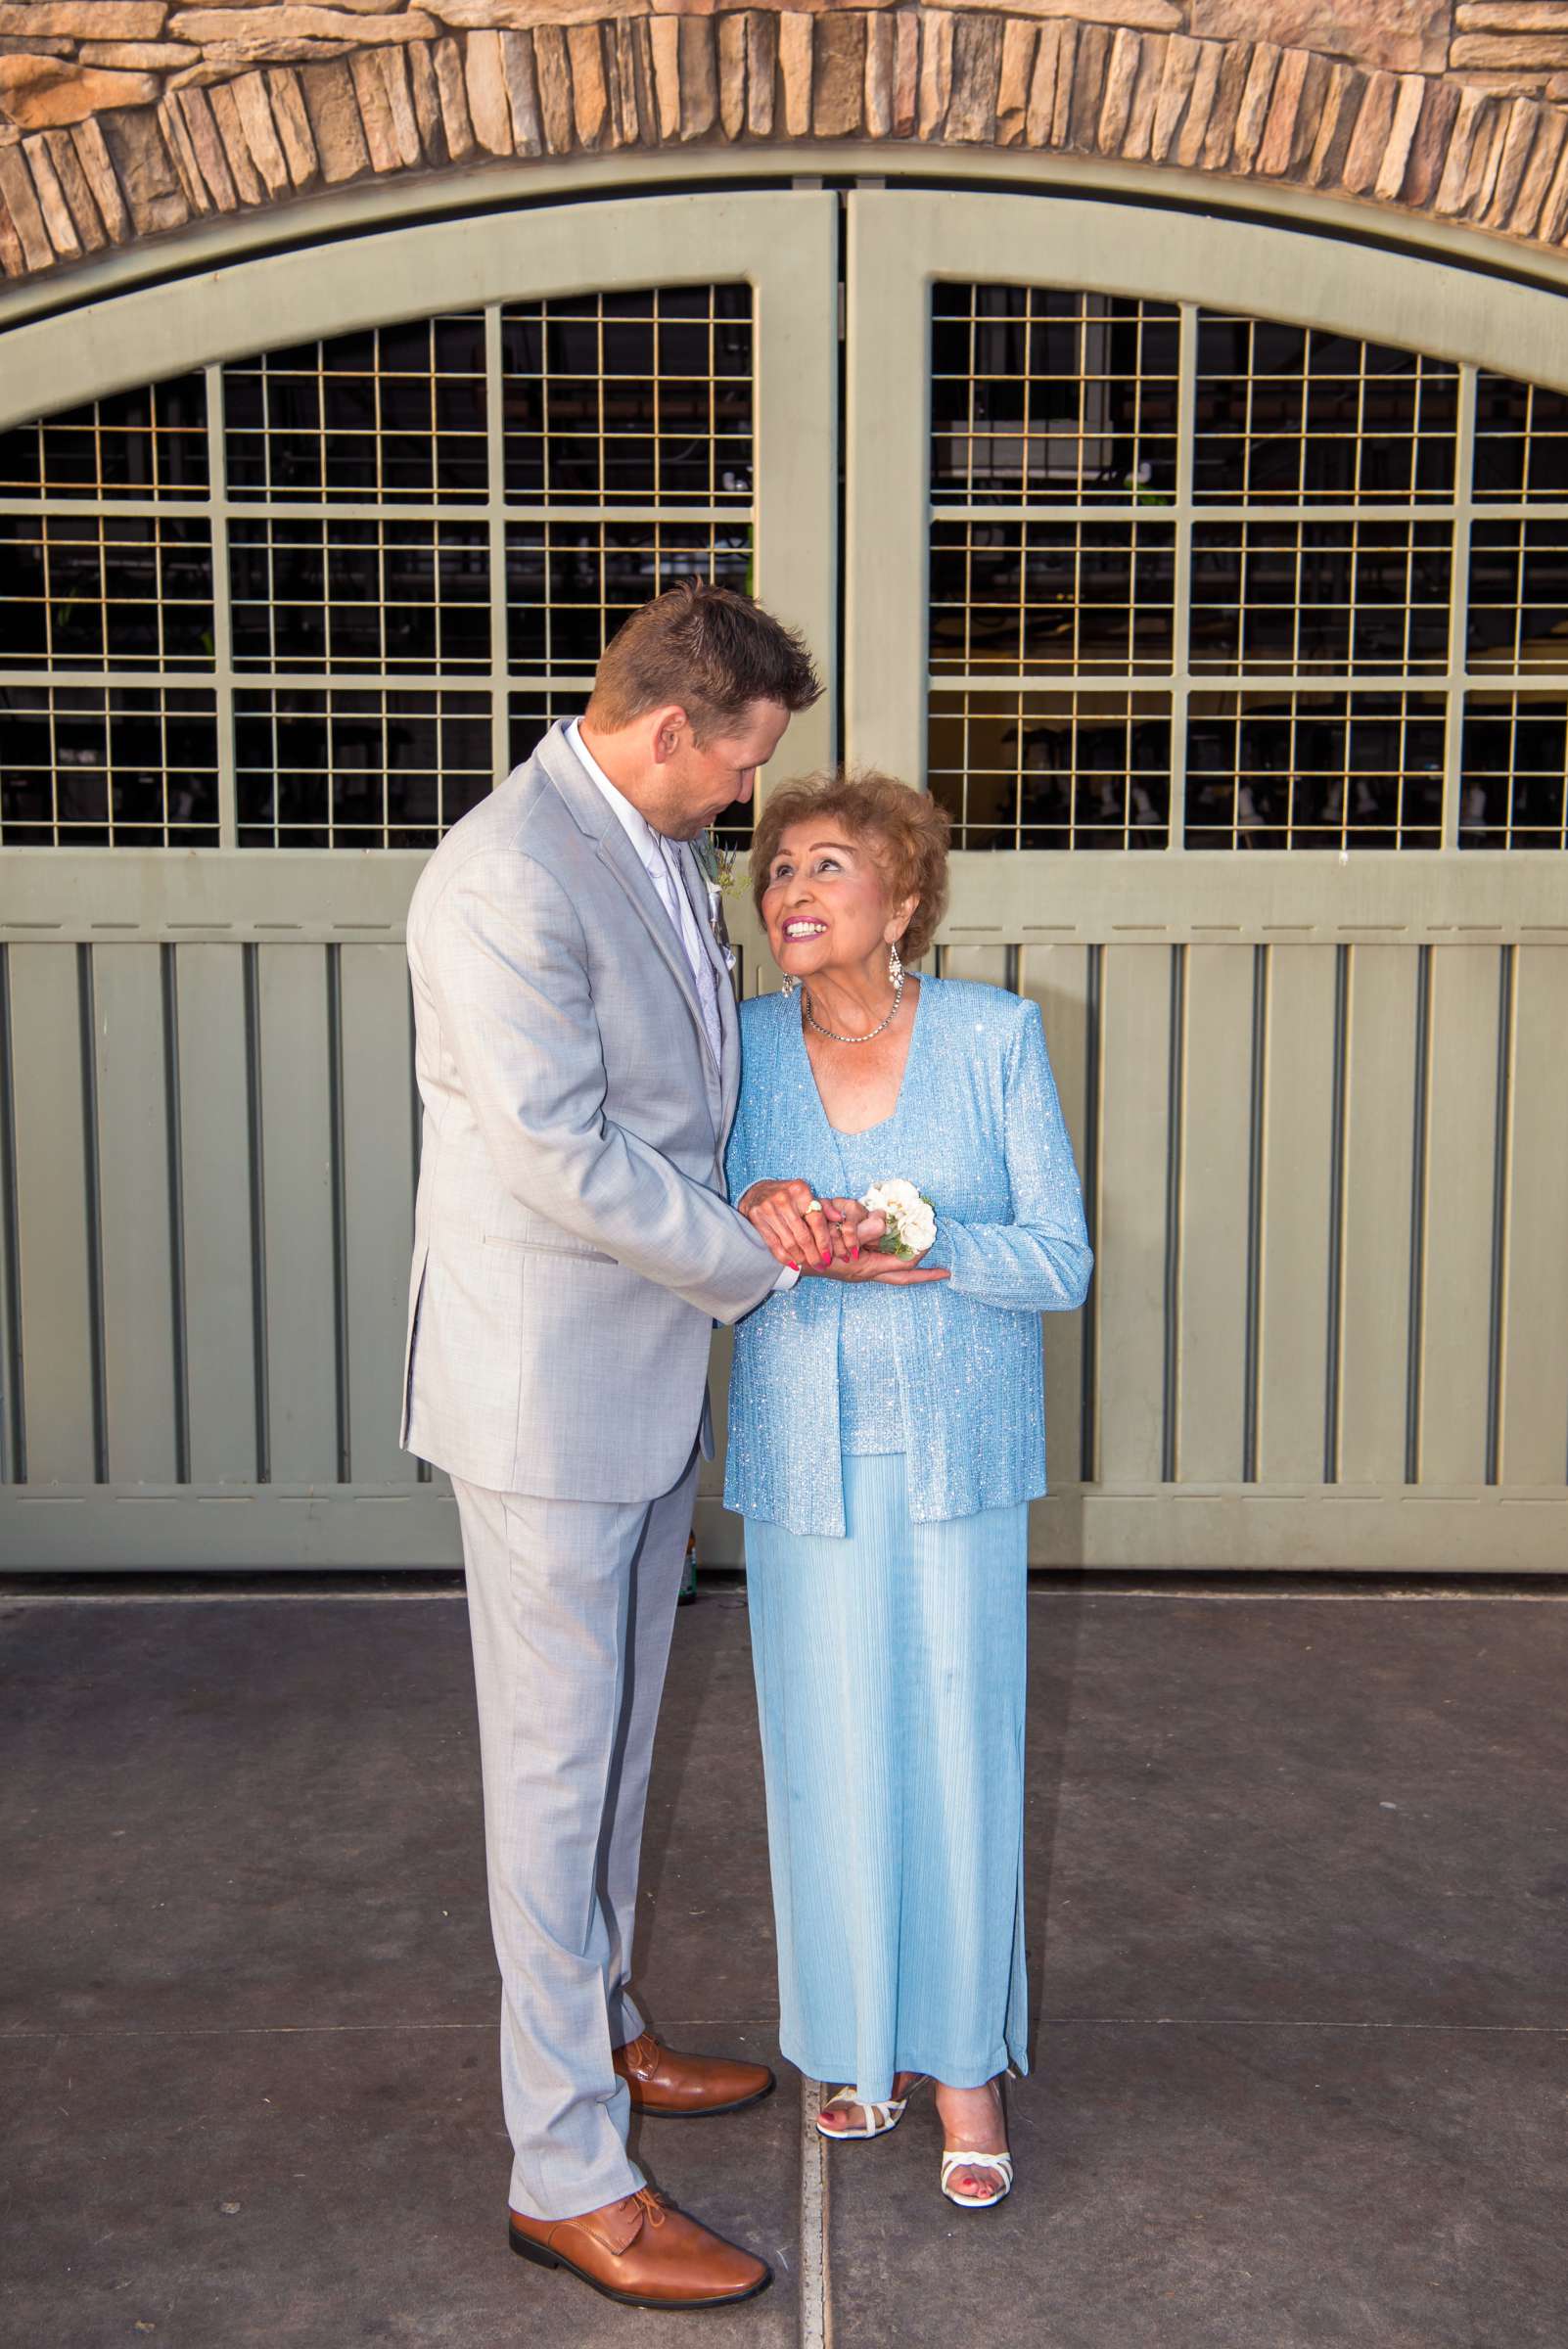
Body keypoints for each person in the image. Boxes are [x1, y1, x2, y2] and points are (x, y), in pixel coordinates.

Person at [400, 585, 882, 2313]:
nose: (751, 803)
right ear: (673, 728)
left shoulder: (644, 843)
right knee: (547, 1778)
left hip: (643, 1359)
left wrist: (743, 1193)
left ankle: (602, 2032)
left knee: (605, 1751)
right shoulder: (507, 872)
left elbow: (663, 1103)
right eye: (744, 763)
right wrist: (751, 1255)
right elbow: (551, 1152)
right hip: (547, 1390)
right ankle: (566, 2171)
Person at [725, 770, 1093, 2211]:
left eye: (826, 865)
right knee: (822, 1753)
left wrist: (931, 1242)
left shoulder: (997, 1039)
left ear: (904, 898)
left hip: (956, 1451)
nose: (791, 894)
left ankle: (962, 2068)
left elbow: (1059, 1261)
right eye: (773, 873)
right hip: (799, 1452)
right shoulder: (739, 1047)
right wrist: (749, 1214)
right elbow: (689, 1237)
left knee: (953, 1746)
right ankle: (851, 2042)